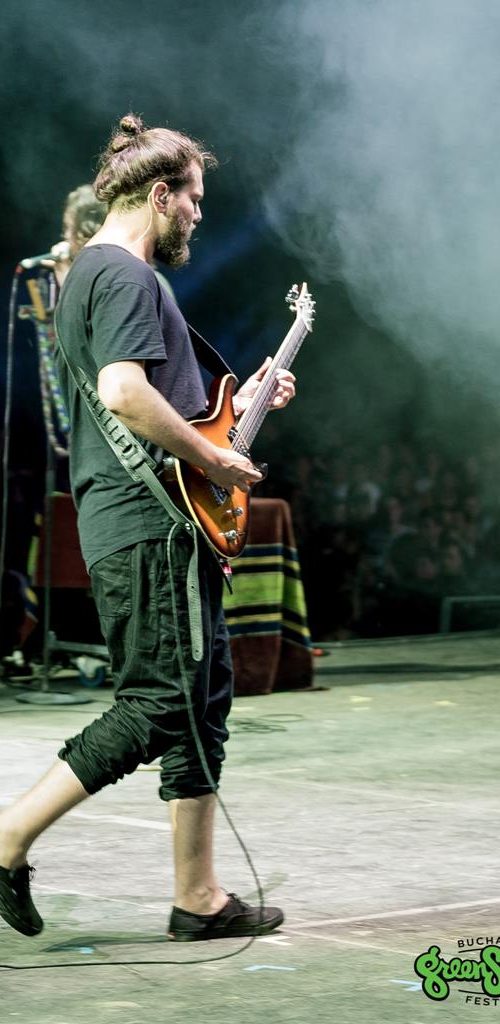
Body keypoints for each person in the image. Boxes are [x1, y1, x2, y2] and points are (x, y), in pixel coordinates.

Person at [0, 113, 295, 942]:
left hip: (150, 521)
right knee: (160, 703)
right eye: (193, 197)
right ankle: (7, 838)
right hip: (149, 526)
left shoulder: (92, 275)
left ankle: (198, 899)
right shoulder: (126, 275)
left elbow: (169, 409)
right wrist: (216, 463)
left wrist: (240, 408)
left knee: (199, 703)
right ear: (160, 194)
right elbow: (125, 394)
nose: (199, 213)